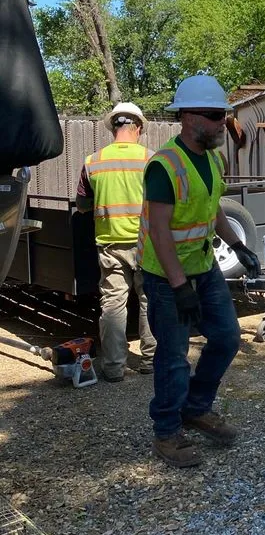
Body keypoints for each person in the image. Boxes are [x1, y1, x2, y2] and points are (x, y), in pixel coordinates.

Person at [137, 74, 263, 468]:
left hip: (204, 268)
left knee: (226, 338)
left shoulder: (211, 158)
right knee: (173, 356)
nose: (221, 123)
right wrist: (179, 286)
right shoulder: (164, 166)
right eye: (213, 116)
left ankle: (196, 407)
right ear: (188, 117)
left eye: (222, 114)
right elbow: (159, 231)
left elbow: (213, 213)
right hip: (166, 276)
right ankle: (167, 432)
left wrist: (239, 245)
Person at [76, 102, 156, 382]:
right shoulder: (152, 159)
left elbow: (83, 204)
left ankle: (112, 367)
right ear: (139, 128)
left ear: (113, 129)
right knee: (149, 300)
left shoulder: (93, 161)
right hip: (147, 243)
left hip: (110, 244)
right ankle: (151, 361)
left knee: (112, 303)